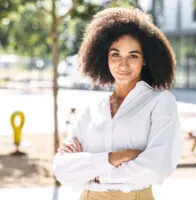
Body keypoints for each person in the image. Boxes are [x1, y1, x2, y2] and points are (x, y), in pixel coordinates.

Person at [52, 7, 183, 200]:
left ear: (145, 59)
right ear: (104, 57)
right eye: (115, 54)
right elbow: (61, 168)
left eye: (133, 55)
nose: (123, 65)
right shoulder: (93, 109)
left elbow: (155, 167)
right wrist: (114, 158)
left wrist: (94, 172)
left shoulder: (160, 102)